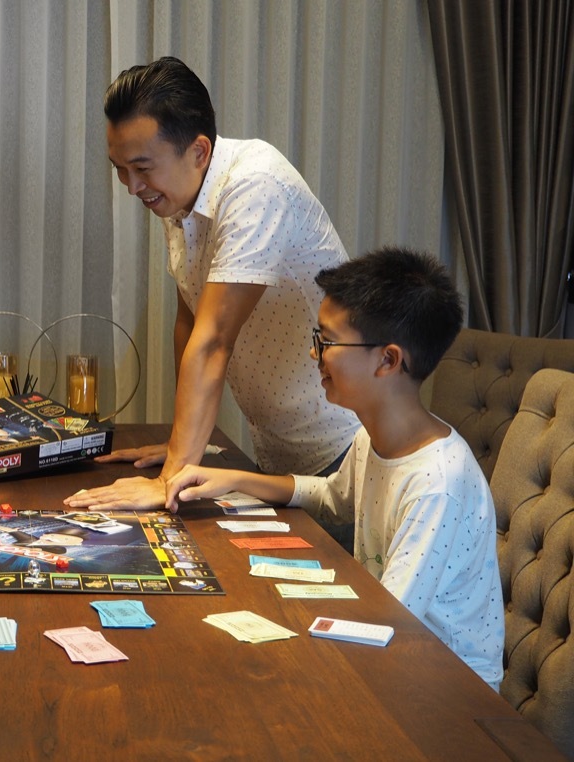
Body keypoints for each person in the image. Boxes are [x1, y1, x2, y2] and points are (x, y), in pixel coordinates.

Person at [163, 247, 504, 688]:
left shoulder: (437, 484)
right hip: (393, 657)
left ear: (388, 360)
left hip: (446, 688)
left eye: (326, 341)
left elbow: (390, 618)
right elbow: (334, 498)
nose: (313, 352)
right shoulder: (373, 436)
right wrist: (232, 480)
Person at [65, 56, 360, 516]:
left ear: (199, 151)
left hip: (338, 453)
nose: (131, 186)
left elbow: (214, 340)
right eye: (121, 168)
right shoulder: (181, 193)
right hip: (276, 452)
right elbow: (191, 320)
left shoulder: (253, 184)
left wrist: (170, 480)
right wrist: (183, 445)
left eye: (142, 168)